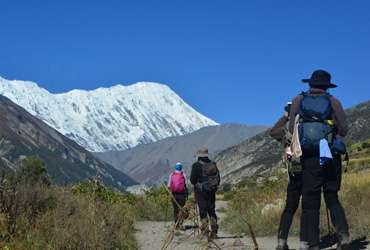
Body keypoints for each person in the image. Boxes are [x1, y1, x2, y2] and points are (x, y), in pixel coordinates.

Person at [288, 70, 349, 250]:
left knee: (311, 200)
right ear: (327, 86)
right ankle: (343, 238)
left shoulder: (298, 100)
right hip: (328, 153)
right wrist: (331, 134)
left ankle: (312, 243)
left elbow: (292, 128)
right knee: (332, 197)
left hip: (309, 156)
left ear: (310, 84)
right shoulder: (333, 101)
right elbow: (344, 128)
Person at [190, 148, 220, 240]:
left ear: (199, 156)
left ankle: (205, 232)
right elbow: (218, 179)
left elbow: (192, 180)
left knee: (203, 211)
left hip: (201, 192)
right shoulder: (213, 164)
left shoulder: (196, 165)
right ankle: (214, 232)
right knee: (211, 211)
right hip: (211, 191)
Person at [168, 162, 188, 229]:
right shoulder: (184, 175)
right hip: (182, 194)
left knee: (175, 209)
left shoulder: (171, 175)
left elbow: (169, 185)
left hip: (174, 195)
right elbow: (185, 185)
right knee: (181, 209)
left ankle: (176, 224)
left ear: (175, 167)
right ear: (181, 167)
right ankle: (181, 224)